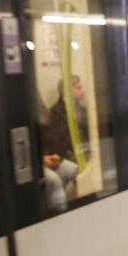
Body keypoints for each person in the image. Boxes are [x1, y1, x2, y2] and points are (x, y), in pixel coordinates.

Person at [42, 74, 89, 212]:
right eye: (78, 87)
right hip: (65, 154)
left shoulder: (82, 110)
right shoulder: (56, 113)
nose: (82, 90)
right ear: (68, 91)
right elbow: (58, 142)